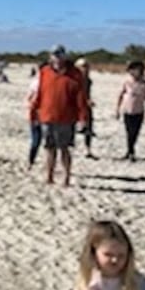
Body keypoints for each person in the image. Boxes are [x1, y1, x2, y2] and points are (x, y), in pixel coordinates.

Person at [29, 45, 89, 186]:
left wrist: (83, 117)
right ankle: (49, 176)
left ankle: (66, 177)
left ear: (64, 56)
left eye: (59, 55)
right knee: (49, 148)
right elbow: (40, 93)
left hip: (66, 118)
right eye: (54, 55)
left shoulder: (75, 74)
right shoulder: (44, 72)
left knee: (64, 148)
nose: (57, 58)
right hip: (47, 116)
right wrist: (34, 111)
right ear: (50, 57)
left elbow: (81, 97)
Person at [115, 60, 145, 161]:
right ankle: (130, 152)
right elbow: (120, 95)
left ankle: (130, 151)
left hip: (139, 111)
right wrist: (117, 109)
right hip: (127, 110)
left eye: (137, 70)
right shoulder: (127, 82)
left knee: (135, 132)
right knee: (129, 132)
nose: (135, 72)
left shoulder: (144, 83)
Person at [74, 57, 97, 159]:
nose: (86, 68)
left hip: (86, 106)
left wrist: (88, 100)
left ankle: (88, 150)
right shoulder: (74, 80)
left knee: (89, 128)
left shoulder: (88, 80)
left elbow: (86, 93)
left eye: (87, 66)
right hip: (75, 106)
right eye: (83, 66)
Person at [26, 61, 46, 168]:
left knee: (36, 139)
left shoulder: (34, 81)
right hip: (41, 114)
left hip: (36, 113)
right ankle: (32, 161)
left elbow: (28, 98)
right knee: (42, 140)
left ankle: (31, 161)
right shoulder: (41, 82)